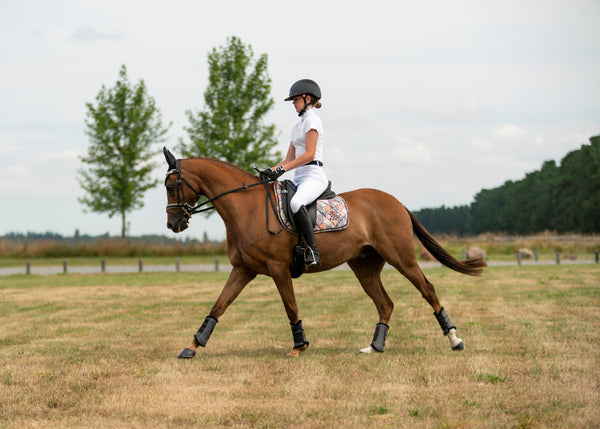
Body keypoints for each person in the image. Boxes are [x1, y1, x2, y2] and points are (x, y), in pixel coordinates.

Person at [260, 79, 328, 267]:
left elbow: (308, 154)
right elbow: (289, 159)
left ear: (307, 98)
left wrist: (282, 170)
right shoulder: (297, 126)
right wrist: (271, 171)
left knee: (296, 202)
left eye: (296, 99)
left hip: (314, 176)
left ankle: (313, 251)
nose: (293, 103)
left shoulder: (313, 121)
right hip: (299, 177)